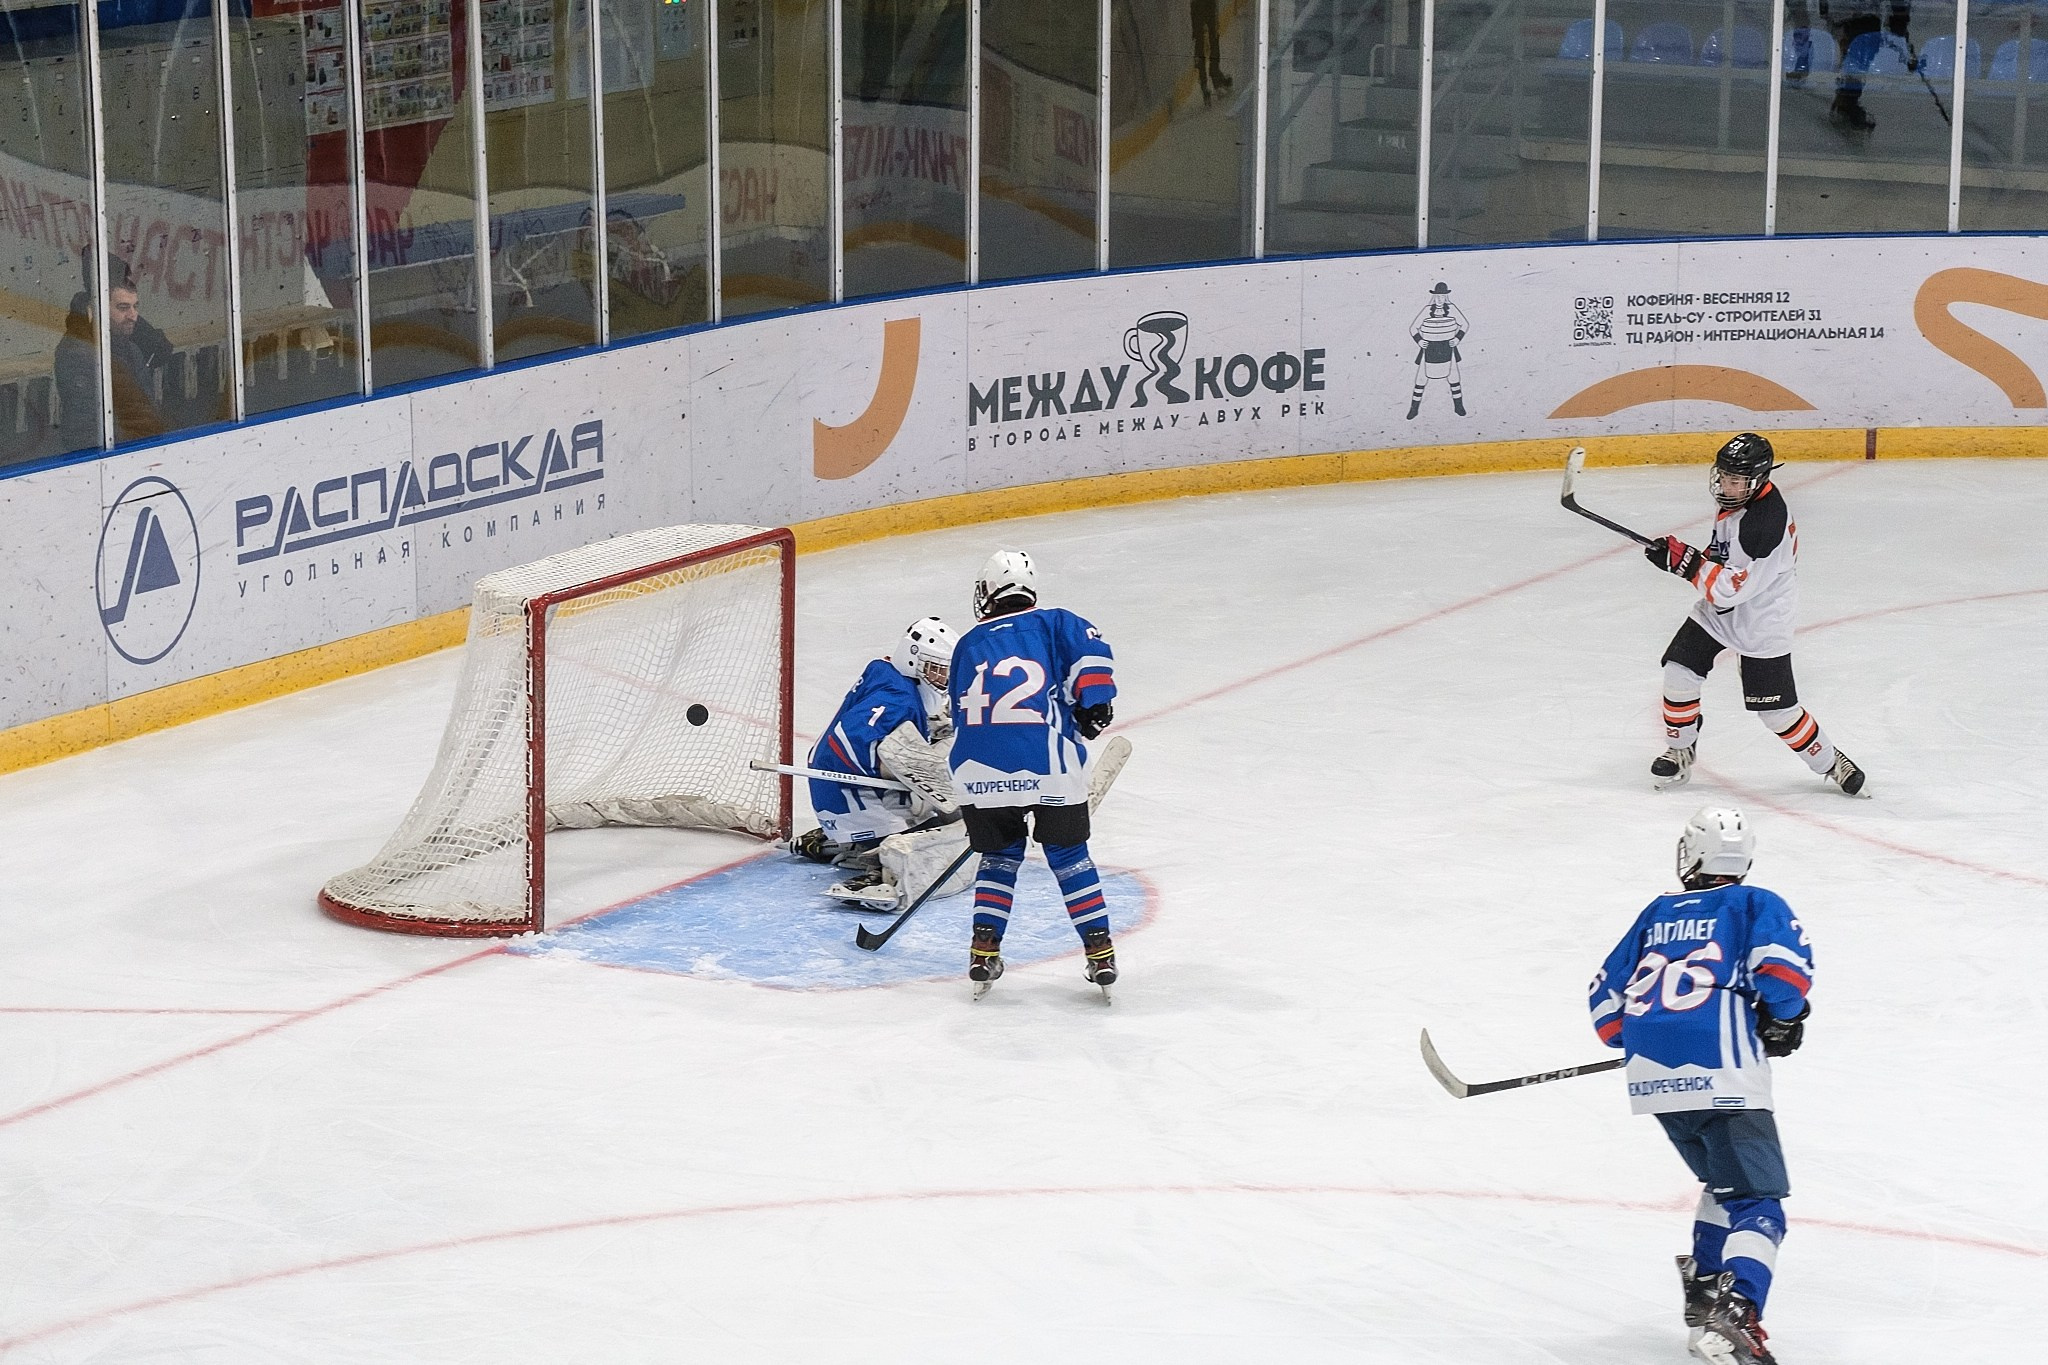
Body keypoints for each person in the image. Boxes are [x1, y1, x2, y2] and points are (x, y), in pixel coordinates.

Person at [1588, 806, 1813, 1365]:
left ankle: (1706, 1293)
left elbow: (1605, 1009)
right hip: (1725, 1075)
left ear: (1692, 852)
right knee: (1759, 1203)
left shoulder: (1656, 913)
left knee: (1722, 1183)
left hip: (1654, 1081)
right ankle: (1736, 1311)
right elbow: (1783, 974)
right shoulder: (1754, 902)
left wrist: (1651, 1036)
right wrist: (1785, 1017)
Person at [1644, 433, 1868, 796]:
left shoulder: (1764, 524)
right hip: (1720, 613)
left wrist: (1686, 565)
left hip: (1762, 620)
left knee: (1777, 713)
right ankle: (1681, 748)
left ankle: (1831, 762)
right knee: (1679, 671)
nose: (1726, 487)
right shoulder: (1739, 501)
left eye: (1736, 481)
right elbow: (1723, 560)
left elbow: (1731, 587)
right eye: (1724, 477)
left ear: (1759, 479)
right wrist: (1683, 558)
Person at [947, 549, 1120, 998]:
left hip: (975, 772)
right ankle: (1099, 951)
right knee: (1069, 857)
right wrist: (1092, 710)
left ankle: (983, 950)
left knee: (1000, 857)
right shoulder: (1056, 622)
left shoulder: (966, 643)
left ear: (988, 592)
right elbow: (1093, 665)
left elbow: (958, 710)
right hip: (1049, 767)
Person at [791, 617, 962, 890]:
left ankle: (835, 842)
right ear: (913, 659)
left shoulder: (884, 672)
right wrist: (914, 774)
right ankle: (878, 868)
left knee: (937, 811)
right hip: (852, 800)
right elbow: (851, 740)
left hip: (833, 795)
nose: (943, 680)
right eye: (936, 670)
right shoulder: (899, 699)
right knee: (956, 829)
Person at [53, 261, 173, 449]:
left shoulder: (129, 347)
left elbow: (147, 409)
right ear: (98, 308)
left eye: (135, 306)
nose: (133, 315)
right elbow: (86, 429)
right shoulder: (78, 353)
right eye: (123, 308)